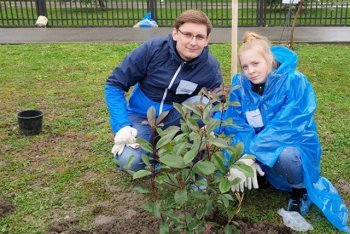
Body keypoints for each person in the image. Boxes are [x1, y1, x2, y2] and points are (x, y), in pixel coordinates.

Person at [220, 32, 349, 232]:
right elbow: (236, 123)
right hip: (258, 146)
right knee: (226, 140)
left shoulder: (295, 81)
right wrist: (244, 153)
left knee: (286, 156)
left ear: (269, 59)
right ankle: (263, 175)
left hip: (295, 144)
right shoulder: (241, 84)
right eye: (245, 66)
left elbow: (288, 125)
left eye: (255, 64)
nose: (250, 71)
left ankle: (300, 189)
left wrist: (251, 154)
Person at [105, 10, 223, 172]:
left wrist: (212, 131)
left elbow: (218, 102)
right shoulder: (151, 50)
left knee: (202, 103)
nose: (193, 42)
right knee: (128, 161)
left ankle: (192, 153)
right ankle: (157, 155)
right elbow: (115, 85)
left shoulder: (210, 67)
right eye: (187, 34)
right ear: (175, 33)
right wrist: (122, 125)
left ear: (207, 40)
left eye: (200, 37)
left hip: (177, 117)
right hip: (142, 117)